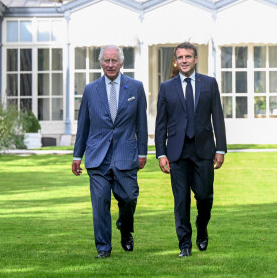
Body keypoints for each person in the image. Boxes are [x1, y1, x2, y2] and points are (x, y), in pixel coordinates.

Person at [72, 45, 148, 259]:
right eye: (107, 60)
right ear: (100, 62)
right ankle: (103, 248)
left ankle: (125, 228)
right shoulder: (90, 90)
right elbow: (83, 126)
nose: (111, 64)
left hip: (126, 153)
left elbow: (141, 123)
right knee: (100, 203)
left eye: (114, 60)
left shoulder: (135, 87)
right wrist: (77, 156)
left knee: (129, 197)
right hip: (97, 157)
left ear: (122, 62)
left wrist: (143, 152)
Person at [155, 42, 227, 258]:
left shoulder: (209, 84)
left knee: (205, 196)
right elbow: (161, 123)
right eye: (180, 57)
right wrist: (161, 153)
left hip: (203, 150)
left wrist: (221, 148)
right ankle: (184, 244)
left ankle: (202, 227)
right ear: (175, 62)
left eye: (188, 56)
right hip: (177, 152)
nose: (184, 60)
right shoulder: (166, 87)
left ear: (196, 59)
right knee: (181, 200)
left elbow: (218, 117)